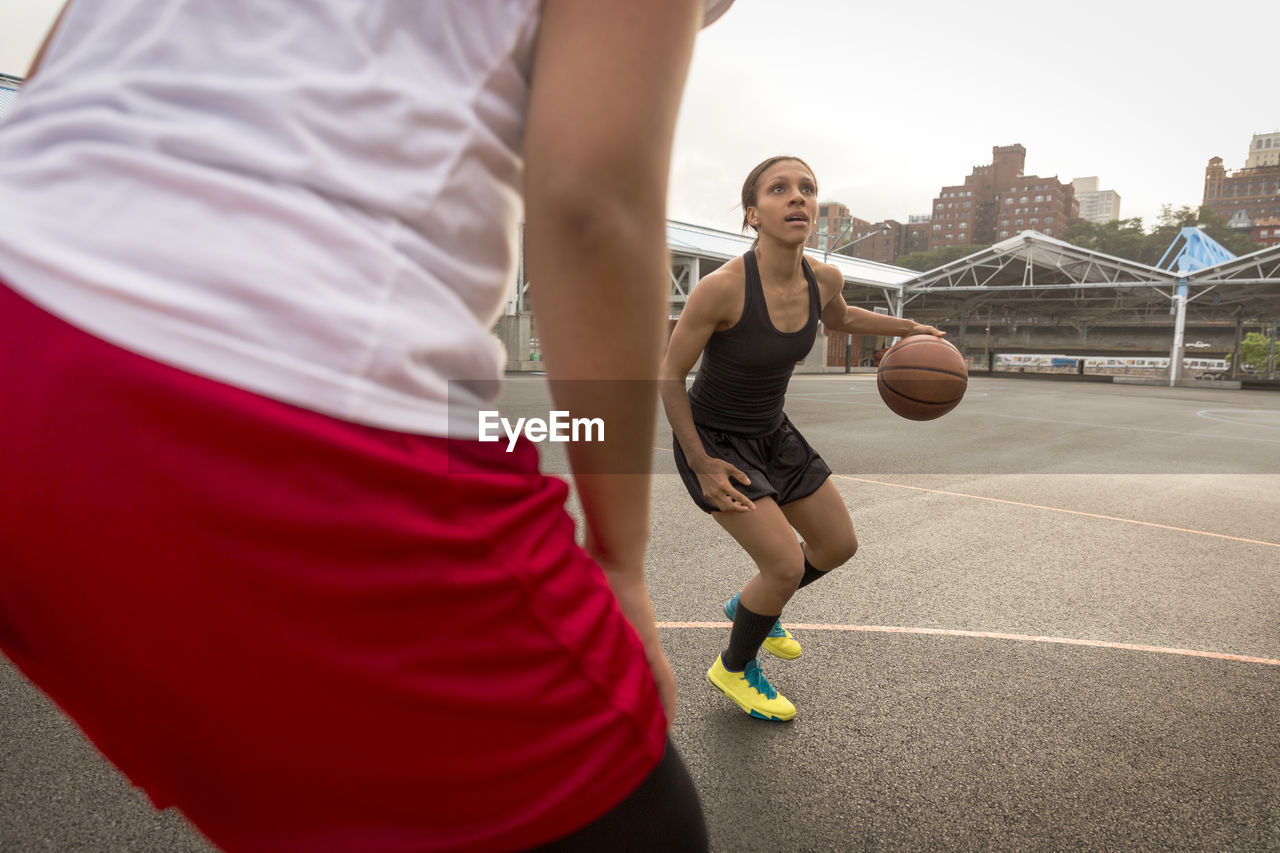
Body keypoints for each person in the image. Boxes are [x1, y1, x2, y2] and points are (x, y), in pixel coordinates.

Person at [0, 1, 734, 850]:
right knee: (623, 811)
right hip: (248, 394)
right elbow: (592, 202)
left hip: (21, 312)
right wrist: (619, 563)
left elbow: (54, 76)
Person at [659, 155, 944, 722]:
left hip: (774, 432)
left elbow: (839, 320)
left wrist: (907, 327)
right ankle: (734, 668)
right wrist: (702, 462)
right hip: (716, 442)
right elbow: (669, 376)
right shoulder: (721, 289)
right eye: (779, 189)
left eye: (807, 189)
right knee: (785, 565)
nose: (797, 198)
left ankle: (748, 607)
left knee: (837, 546)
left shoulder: (824, 279)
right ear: (752, 215)